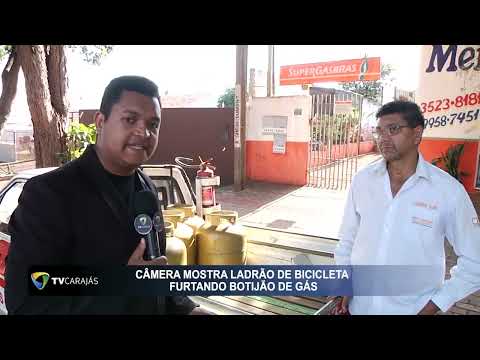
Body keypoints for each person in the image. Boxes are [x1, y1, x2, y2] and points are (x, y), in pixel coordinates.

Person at [5, 75, 211, 315]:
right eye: (130, 119)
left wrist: (189, 309)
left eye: (153, 124)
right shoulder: (49, 194)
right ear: (101, 122)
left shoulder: (146, 189)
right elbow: (26, 303)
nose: (144, 132)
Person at [333, 100, 480, 315]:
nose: (383, 139)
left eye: (393, 129)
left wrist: (434, 306)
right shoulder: (362, 181)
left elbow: (475, 261)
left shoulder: (448, 191)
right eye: (379, 131)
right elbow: (347, 239)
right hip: (359, 307)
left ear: (417, 134)